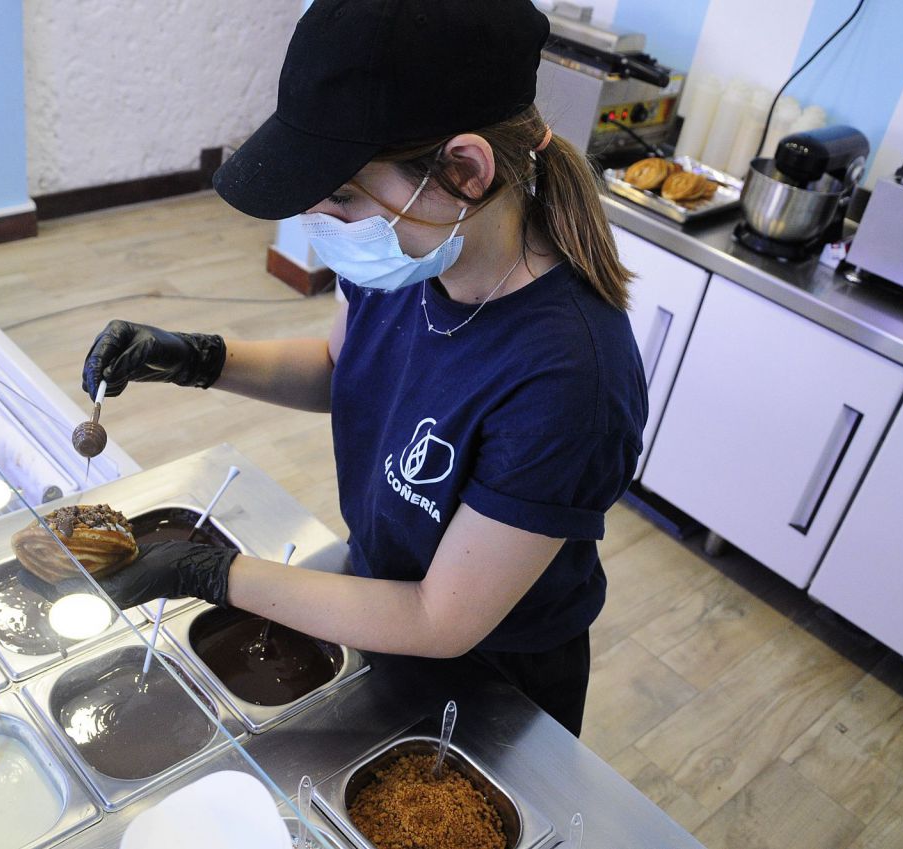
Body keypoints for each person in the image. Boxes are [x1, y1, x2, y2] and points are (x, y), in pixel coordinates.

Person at [86, 0, 646, 737]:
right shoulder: (410, 259)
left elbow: (437, 617)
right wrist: (194, 358)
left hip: (491, 678)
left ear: (464, 170)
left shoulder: (568, 378)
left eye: (343, 194)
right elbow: (337, 366)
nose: (322, 223)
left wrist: (206, 572)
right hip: (377, 591)